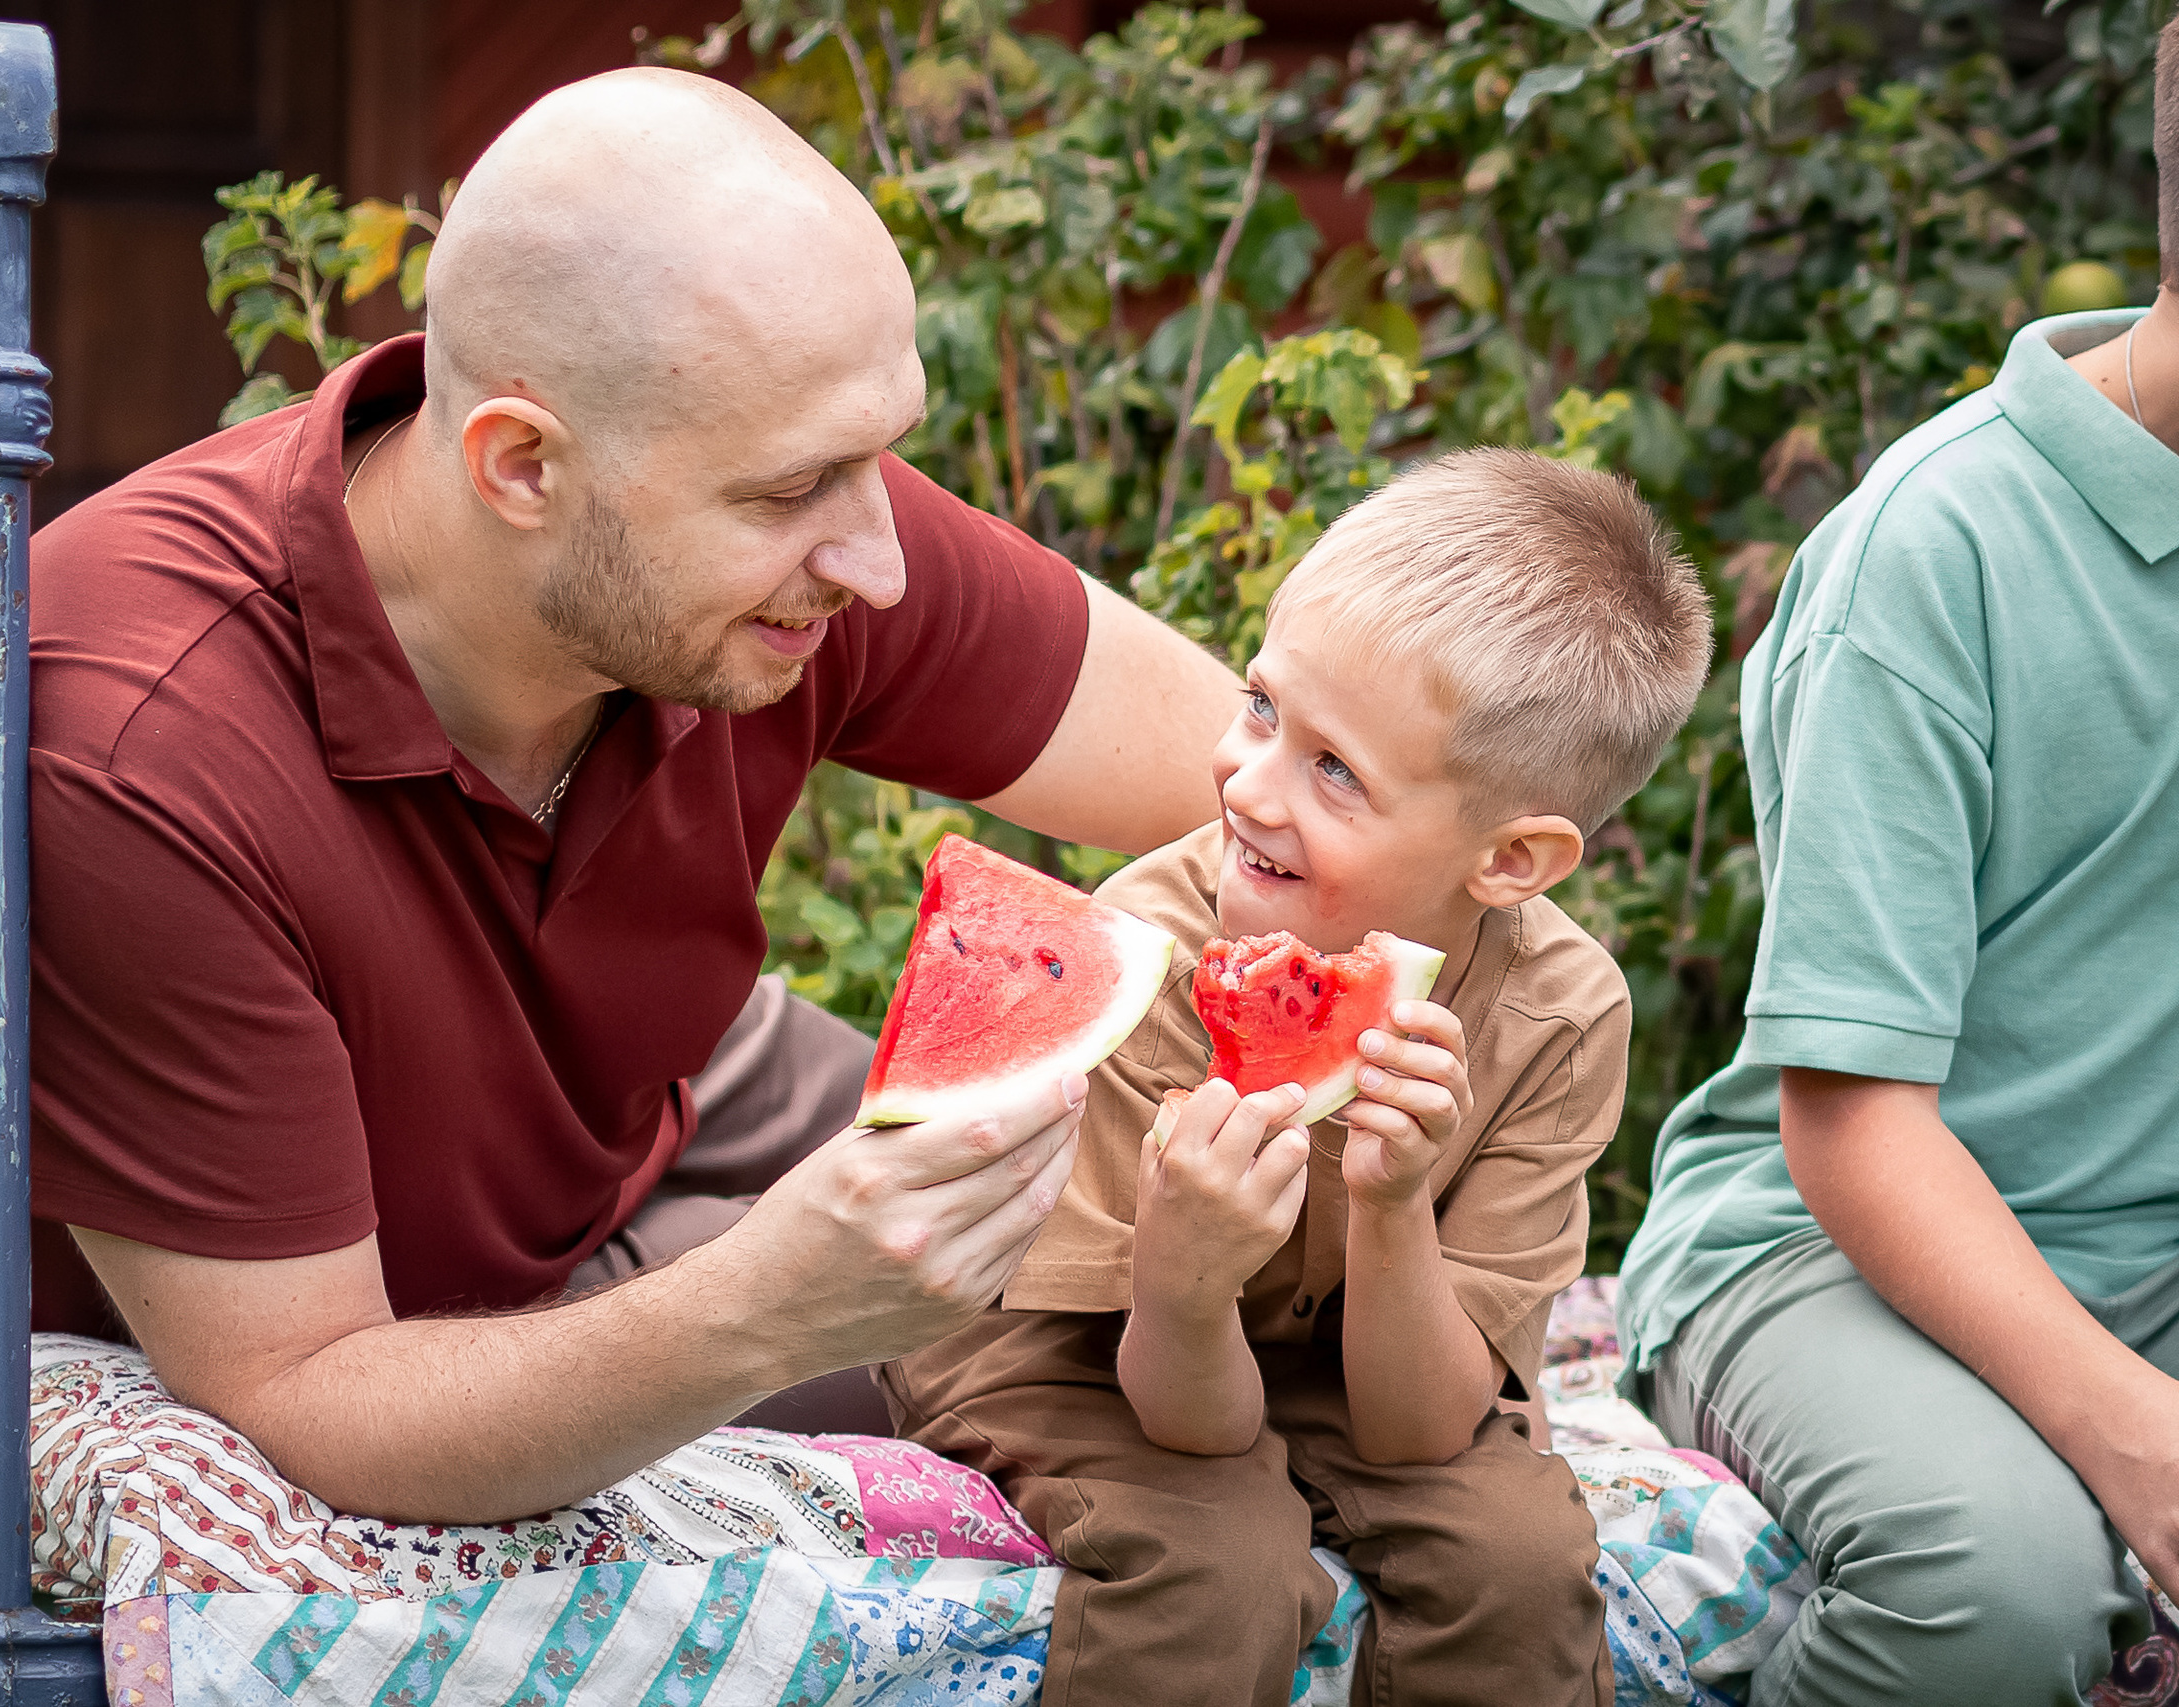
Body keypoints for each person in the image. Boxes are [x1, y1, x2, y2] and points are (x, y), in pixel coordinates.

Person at [0, 67, 1245, 1525]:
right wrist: (772, 1305)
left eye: (878, 455)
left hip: (652, 1087)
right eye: (794, 489)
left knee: (1220, 1253)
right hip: (362, 1324)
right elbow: (310, 1398)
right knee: (1102, 1360)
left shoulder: (777, 524)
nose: (883, 564)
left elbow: (1260, 784)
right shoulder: (120, 757)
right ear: (520, 464)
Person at [886, 450, 1714, 1707]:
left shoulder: (1560, 1013)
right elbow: (1191, 1422)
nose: (1246, 782)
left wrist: (1392, 1207)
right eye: (1264, 708)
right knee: (1221, 1563)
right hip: (1086, 1347)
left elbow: (1421, 1435)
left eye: (1335, 771)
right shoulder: (1149, 946)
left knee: (1522, 1564)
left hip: (1363, 1365)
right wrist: (1184, 1263)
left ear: (1511, 861)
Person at [1615, 25, 2179, 1703]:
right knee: (1999, 1583)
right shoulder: (1934, 555)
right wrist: (2139, 1439)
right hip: (1831, 1248)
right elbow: (1854, 1122)